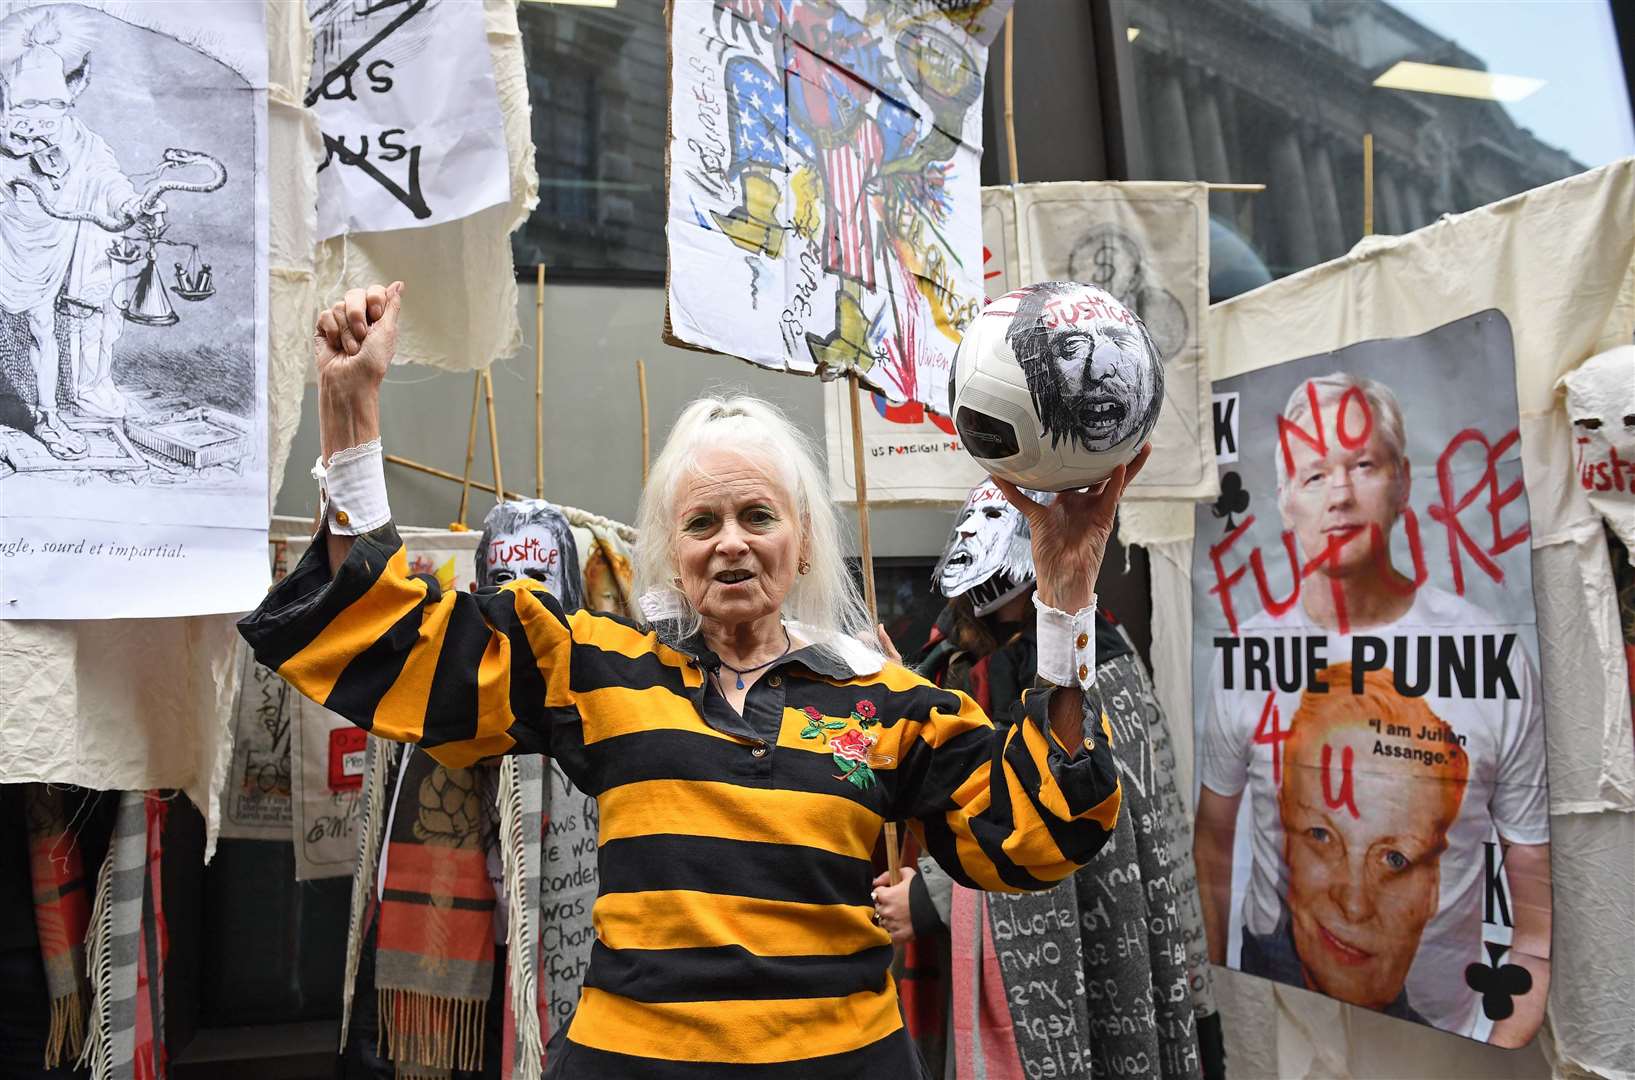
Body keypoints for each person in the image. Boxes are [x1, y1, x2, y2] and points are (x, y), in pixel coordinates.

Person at [239, 283, 1138, 1078]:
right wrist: (350, 424)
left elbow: (1034, 836)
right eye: (702, 521)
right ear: (670, 552)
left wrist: (1063, 602)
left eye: (757, 515)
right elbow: (396, 640)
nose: (731, 542)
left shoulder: (896, 704)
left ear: (803, 543)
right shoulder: (595, 666)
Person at [1194, 372, 1551, 1044]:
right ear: (1285, 504)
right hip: (1276, 994)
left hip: (1439, 1020)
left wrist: (1504, 1041)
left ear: (1402, 482)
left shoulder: (1485, 651)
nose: (1339, 496)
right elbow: (1213, 836)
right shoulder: (1246, 653)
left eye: (1362, 465)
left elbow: (1531, 883)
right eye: (1313, 475)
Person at [874, 480, 1220, 1080]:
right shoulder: (950, 654)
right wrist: (889, 690)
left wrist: (928, 898)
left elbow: (1063, 817)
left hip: (1057, 954)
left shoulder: (1093, 662)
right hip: (957, 956)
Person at [1240, 664, 1469, 1025]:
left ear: (1433, 889)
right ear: (1284, 838)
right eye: (1321, 836)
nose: (1354, 903)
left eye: (1394, 858)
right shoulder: (1236, 995)